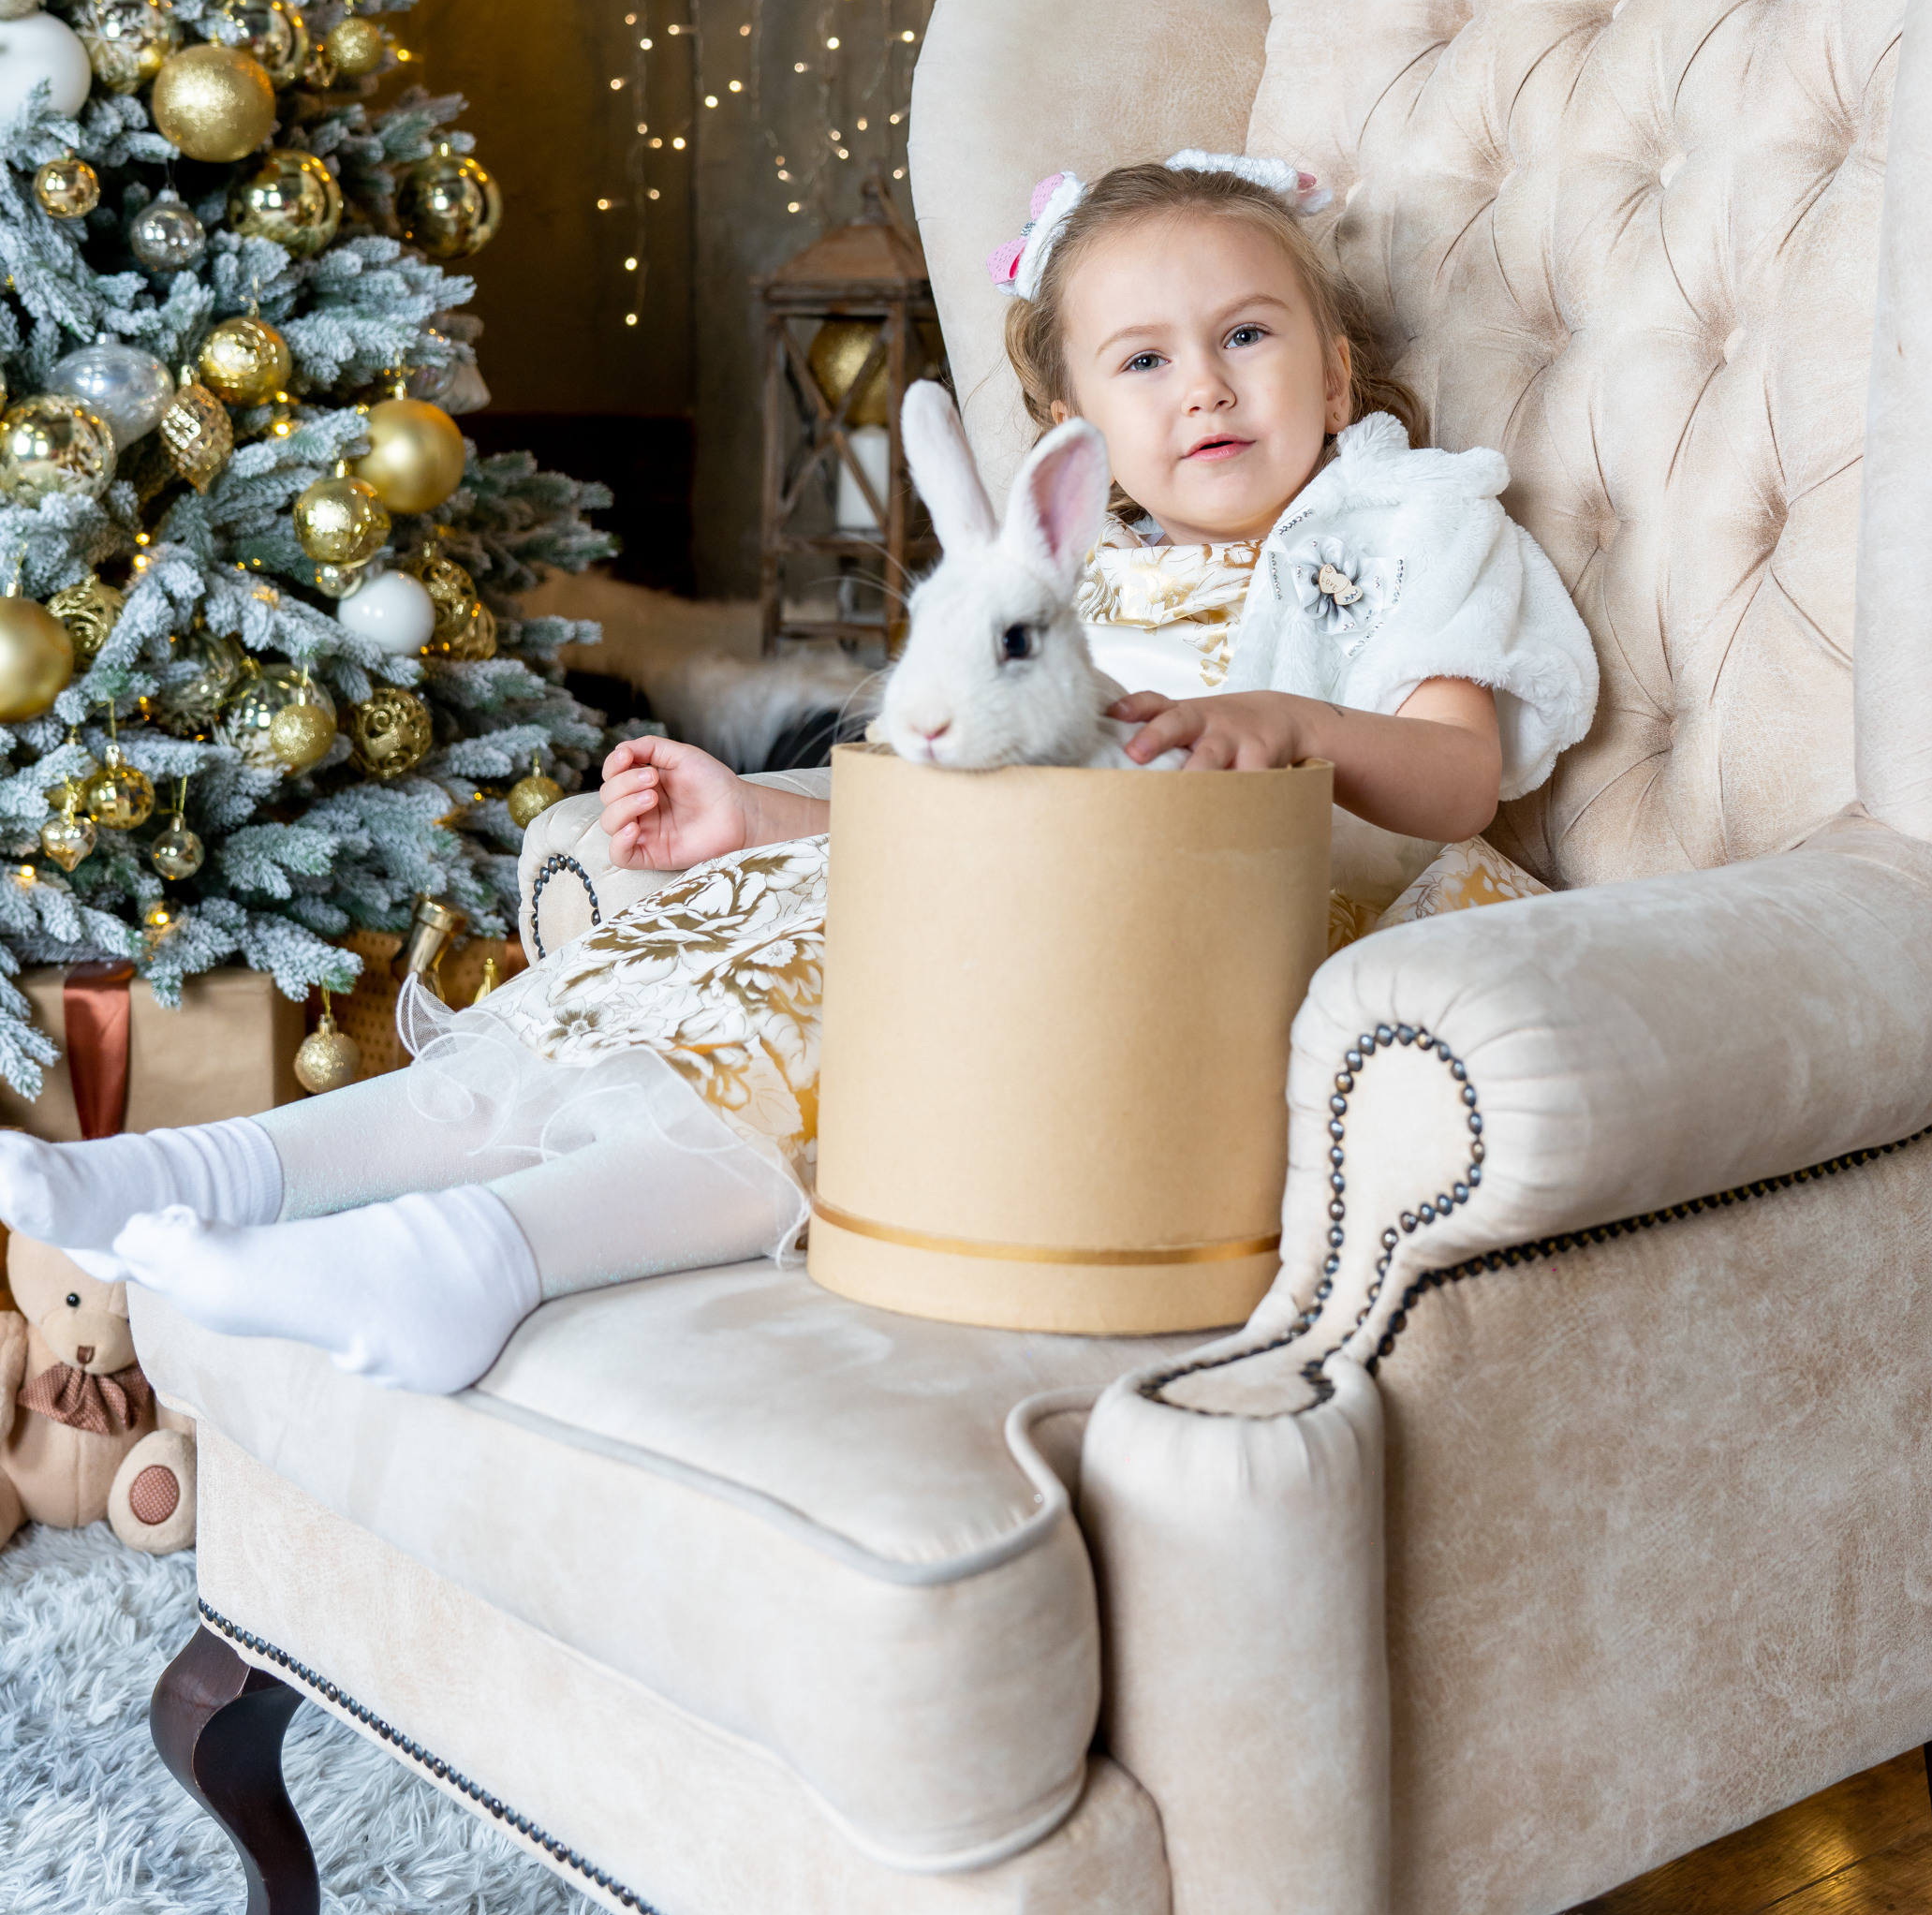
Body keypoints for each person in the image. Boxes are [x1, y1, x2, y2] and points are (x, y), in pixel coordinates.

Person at [0, 155, 1595, 1395]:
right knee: (670, 960)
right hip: (1034, 914)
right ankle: (216, 1167)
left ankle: (475, 1256)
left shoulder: (1402, 528)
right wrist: (758, 817)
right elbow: (942, 798)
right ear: (1069, 427)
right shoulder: (1068, 586)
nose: (1205, 387)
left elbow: (1458, 775)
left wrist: (1292, 729)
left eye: (1248, 337)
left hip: (1256, 938)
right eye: (1145, 361)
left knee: (853, 1019)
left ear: (1332, 370)